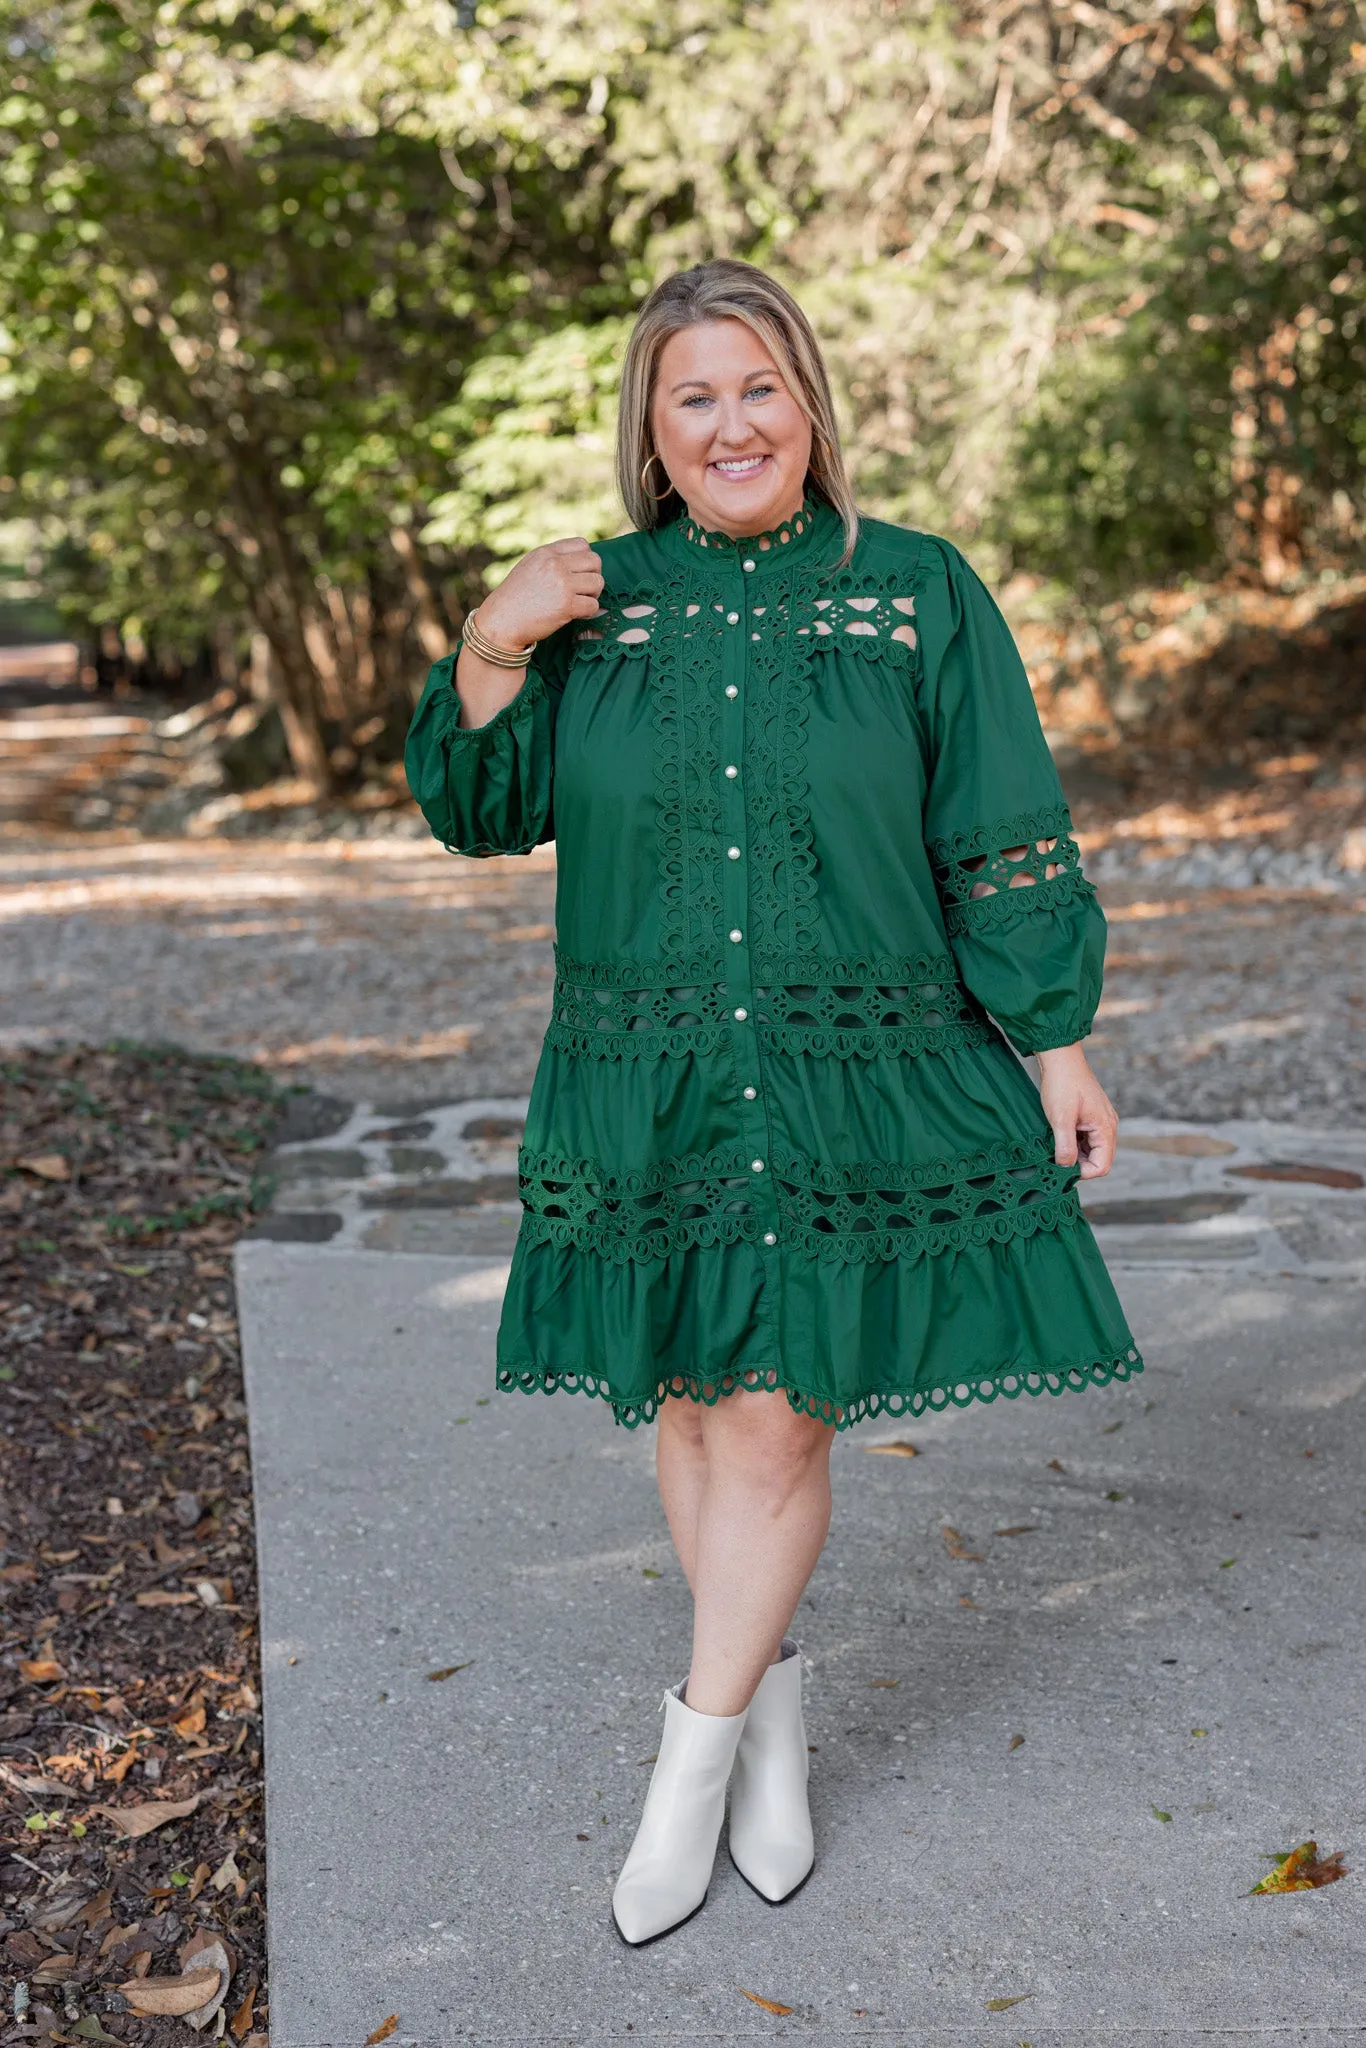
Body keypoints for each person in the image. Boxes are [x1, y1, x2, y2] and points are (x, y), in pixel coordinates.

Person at [405, 258, 1141, 1947]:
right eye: (693, 399)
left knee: (773, 1409)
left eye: (757, 389)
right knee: (686, 1396)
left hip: (849, 1061)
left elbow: (999, 821)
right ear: (651, 437)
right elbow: (482, 808)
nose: (730, 424)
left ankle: (689, 1761)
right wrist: (490, 639)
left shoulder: (916, 592)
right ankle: (773, 1709)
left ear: (807, 404)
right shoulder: (596, 602)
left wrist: (1056, 1038)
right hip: (640, 1062)